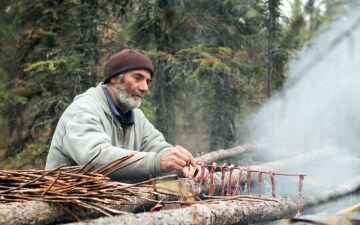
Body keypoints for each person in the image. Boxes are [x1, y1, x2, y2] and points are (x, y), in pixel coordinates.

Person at [45, 49, 208, 182]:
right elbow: (95, 158)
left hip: (110, 208)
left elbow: (156, 146)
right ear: (114, 78)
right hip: (68, 211)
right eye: (138, 78)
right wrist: (157, 162)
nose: (145, 88)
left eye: (147, 81)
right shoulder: (83, 110)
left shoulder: (135, 116)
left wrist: (183, 163)